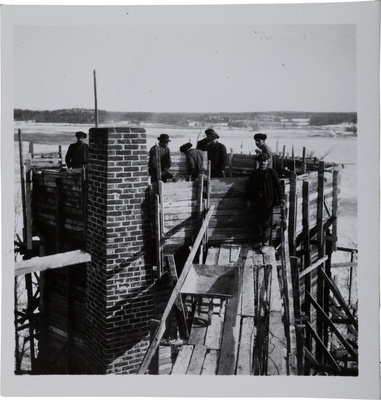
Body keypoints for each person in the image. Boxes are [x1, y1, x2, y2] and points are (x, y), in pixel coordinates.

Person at [246, 152, 286, 254]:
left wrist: (282, 199)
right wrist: (248, 201)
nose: (263, 163)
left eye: (264, 161)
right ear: (258, 162)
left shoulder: (272, 173)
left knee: (266, 224)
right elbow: (249, 189)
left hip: (267, 203)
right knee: (257, 222)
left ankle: (265, 244)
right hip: (256, 202)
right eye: (261, 161)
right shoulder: (255, 173)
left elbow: (278, 187)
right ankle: (258, 241)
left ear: (268, 162)